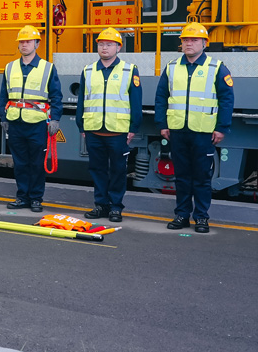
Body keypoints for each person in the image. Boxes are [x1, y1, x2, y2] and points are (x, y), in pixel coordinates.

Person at [154, 22, 234, 234]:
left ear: (204, 43)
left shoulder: (217, 68)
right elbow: (161, 97)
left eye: (194, 40)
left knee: (201, 177)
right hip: (178, 131)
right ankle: (181, 215)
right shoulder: (172, 67)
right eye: (185, 40)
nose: (189, 43)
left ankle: (201, 218)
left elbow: (227, 100)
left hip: (203, 132)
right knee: (181, 176)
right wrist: (163, 124)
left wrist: (221, 128)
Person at [76, 28, 142, 224]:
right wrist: (82, 127)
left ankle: (115, 207)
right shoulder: (88, 70)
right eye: (101, 44)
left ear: (118, 47)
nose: (104, 48)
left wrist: (133, 128)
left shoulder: (129, 70)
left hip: (118, 131)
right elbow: (82, 101)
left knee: (118, 171)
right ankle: (101, 205)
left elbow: (136, 102)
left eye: (109, 44)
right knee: (97, 169)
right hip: (94, 130)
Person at [0, 25, 63, 213]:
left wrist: (55, 119)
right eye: (22, 42)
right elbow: (4, 95)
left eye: (28, 41)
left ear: (37, 43)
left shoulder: (47, 68)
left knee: (36, 163)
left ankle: (36, 199)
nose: (24, 45)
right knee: (19, 163)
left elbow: (57, 96)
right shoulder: (10, 68)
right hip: (16, 123)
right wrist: (3, 117)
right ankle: (22, 197)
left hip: (37, 124)